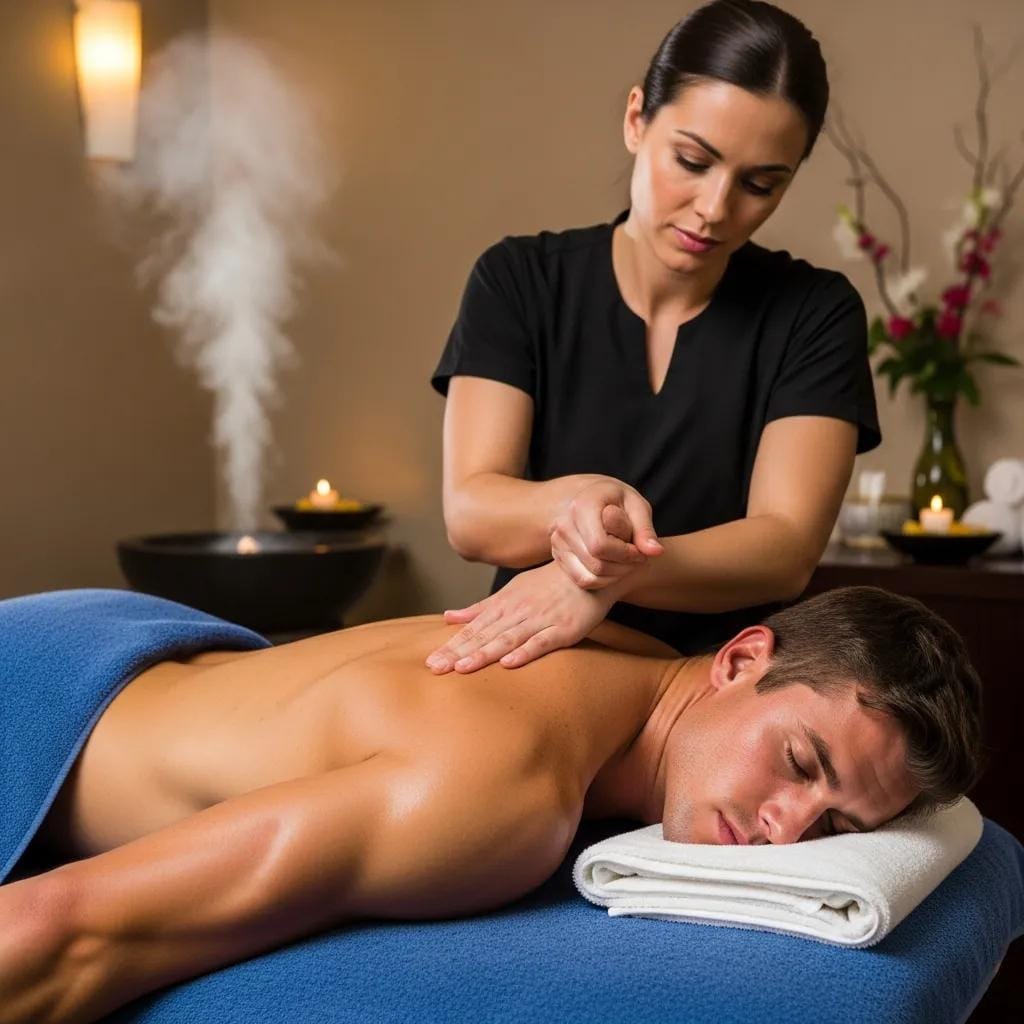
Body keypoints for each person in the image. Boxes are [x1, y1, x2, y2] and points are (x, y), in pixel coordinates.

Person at [2, 585, 983, 1023]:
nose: (783, 828)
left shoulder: (636, 665)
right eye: (797, 760)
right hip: (40, 705)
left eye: (837, 826)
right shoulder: (492, 801)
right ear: (738, 659)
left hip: (109, 636)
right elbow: (68, 932)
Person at [428, 0, 880, 675]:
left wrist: (608, 576)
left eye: (760, 184)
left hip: (720, 683)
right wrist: (581, 501)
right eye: (693, 161)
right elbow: (471, 512)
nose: (716, 208)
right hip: (539, 656)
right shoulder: (518, 279)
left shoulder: (814, 313)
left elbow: (785, 550)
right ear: (637, 117)